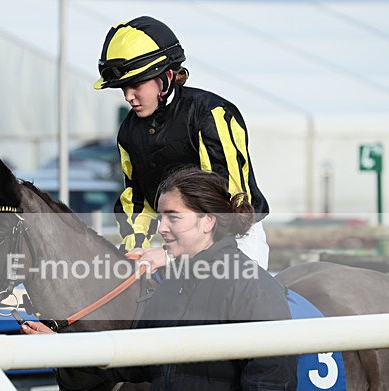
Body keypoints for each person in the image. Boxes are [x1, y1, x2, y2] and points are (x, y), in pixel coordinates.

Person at [23, 168, 297, 391]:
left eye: (173, 217)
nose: (162, 228)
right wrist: (66, 348)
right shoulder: (171, 285)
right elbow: (136, 359)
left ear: (208, 222)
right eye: (161, 217)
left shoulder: (253, 288)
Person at [93, 15, 272, 270]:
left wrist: (171, 257)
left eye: (135, 85)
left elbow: (227, 204)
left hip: (235, 240)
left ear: (166, 77)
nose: (128, 96)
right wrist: (135, 249)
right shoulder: (129, 132)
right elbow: (137, 201)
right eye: (123, 88)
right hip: (177, 241)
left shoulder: (211, 114)